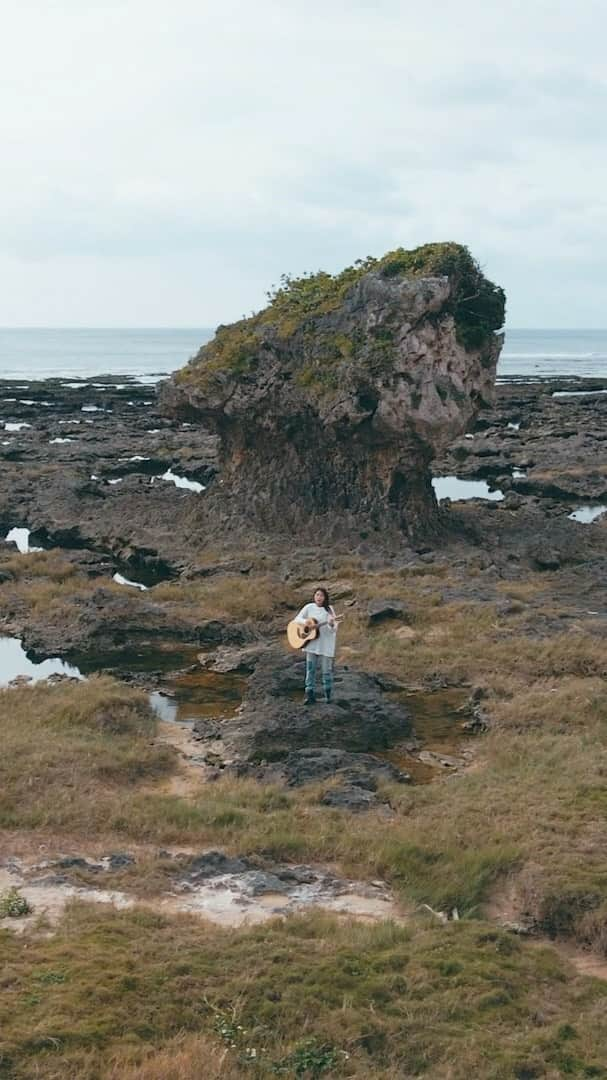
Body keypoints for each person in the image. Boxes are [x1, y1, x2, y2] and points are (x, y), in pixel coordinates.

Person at [294, 587, 337, 705]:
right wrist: (306, 623)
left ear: (325, 598)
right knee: (310, 669)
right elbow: (297, 619)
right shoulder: (309, 607)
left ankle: (328, 697)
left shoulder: (329, 610)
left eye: (321, 595)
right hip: (311, 644)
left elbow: (333, 630)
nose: (319, 597)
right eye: (317, 595)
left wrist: (332, 624)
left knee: (326, 671)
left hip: (325, 644)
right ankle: (310, 695)